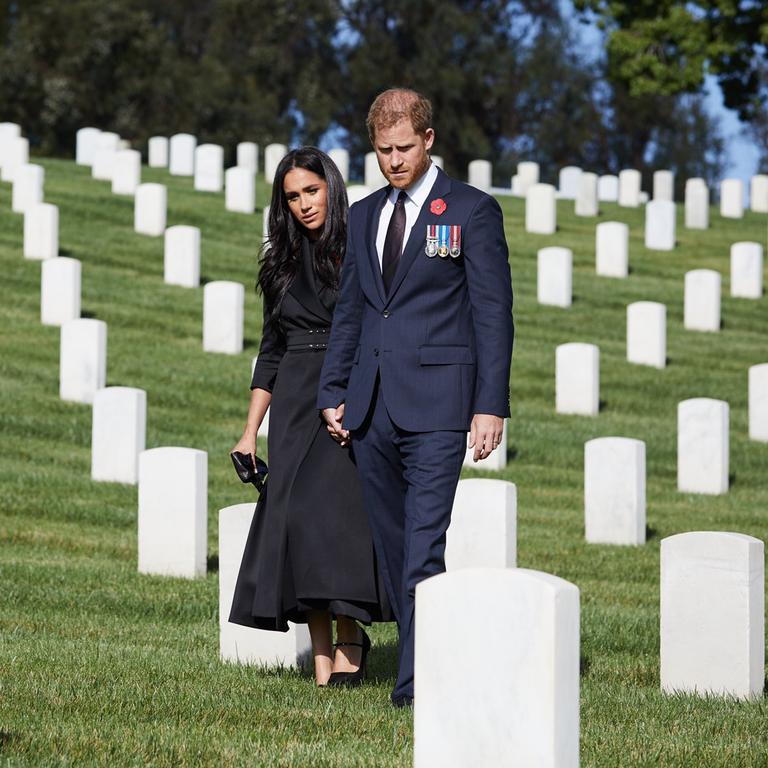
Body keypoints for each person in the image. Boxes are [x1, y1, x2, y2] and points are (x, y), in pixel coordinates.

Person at [318, 89, 513, 707]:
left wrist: (491, 404)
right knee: (395, 547)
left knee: (424, 546)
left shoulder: (473, 211)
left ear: (429, 140)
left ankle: (416, 689)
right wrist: (334, 389)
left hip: (439, 407)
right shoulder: (368, 213)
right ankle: (436, 660)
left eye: (404, 147)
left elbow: (492, 313)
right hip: (371, 407)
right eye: (383, 151)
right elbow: (351, 308)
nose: (395, 161)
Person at [229, 147, 390, 687]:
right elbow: (270, 350)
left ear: (332, 188)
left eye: (311, 191)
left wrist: (354, 392)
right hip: (294, 399)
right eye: (292, 196)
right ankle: (322, 660)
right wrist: (251, 430)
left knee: (334, 521)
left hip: (343, 388)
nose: (303, 204)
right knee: (296, 522)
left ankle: (351, 635)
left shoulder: (359, 248)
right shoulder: (279, 262)